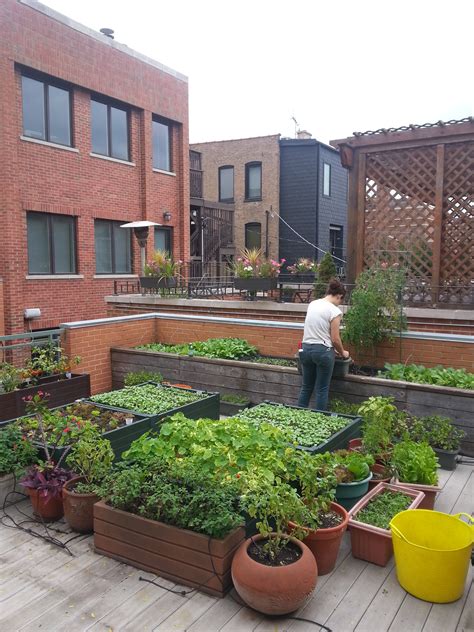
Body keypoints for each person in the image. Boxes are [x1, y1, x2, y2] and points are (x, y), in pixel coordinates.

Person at [297, 278, 349, 410]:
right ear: (339, 296)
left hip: (305, 349)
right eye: (341, 300)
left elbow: (318, 330)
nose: (340, 303)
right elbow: (335, 339)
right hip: (322, 352)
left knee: (306, 386)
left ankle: (297, 417)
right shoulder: (334, 311)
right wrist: (343, 352)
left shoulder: (313, 304)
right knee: (321, 389)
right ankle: (319, 423)